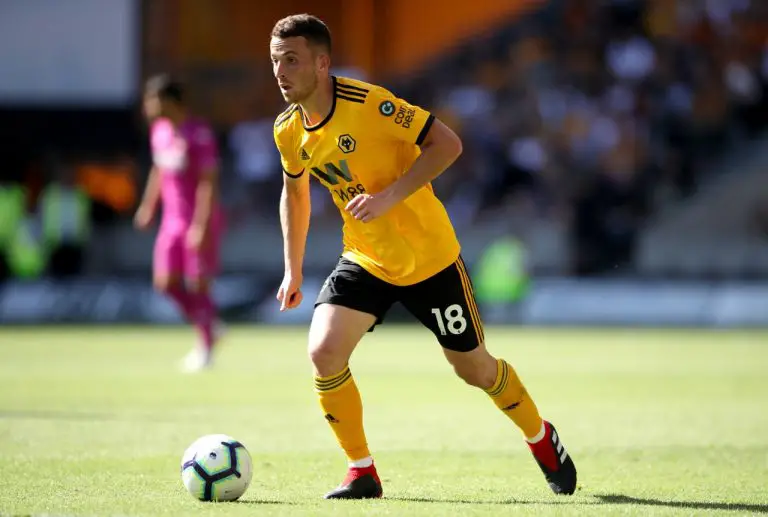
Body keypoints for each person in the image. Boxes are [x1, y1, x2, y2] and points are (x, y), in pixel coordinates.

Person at [271, 14, 577, 500]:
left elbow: (447, 144)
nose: (280, 72)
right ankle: (361, 471)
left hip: (429, 258)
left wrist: (389, 196)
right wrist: (293, 268)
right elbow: (295, 194)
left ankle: (540, 436)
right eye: (275, 61)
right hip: (366, 257)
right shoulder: (288, 130)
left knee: (474, 369)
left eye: (291, 60)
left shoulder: (370, 104)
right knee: (323, 352)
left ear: (322, 63)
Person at [134, 75, 225, 372]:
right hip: (171, 222)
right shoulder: (159, 132)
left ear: (169, 101)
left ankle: (206, 348)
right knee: (165, 284)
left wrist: (200, 225)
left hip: (197, 219)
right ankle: (209, 324)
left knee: (198, 283)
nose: (147, 107)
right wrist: (148, 206)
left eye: (152, 100)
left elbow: (208, 183)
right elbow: (159, 170)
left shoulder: (198, 134)